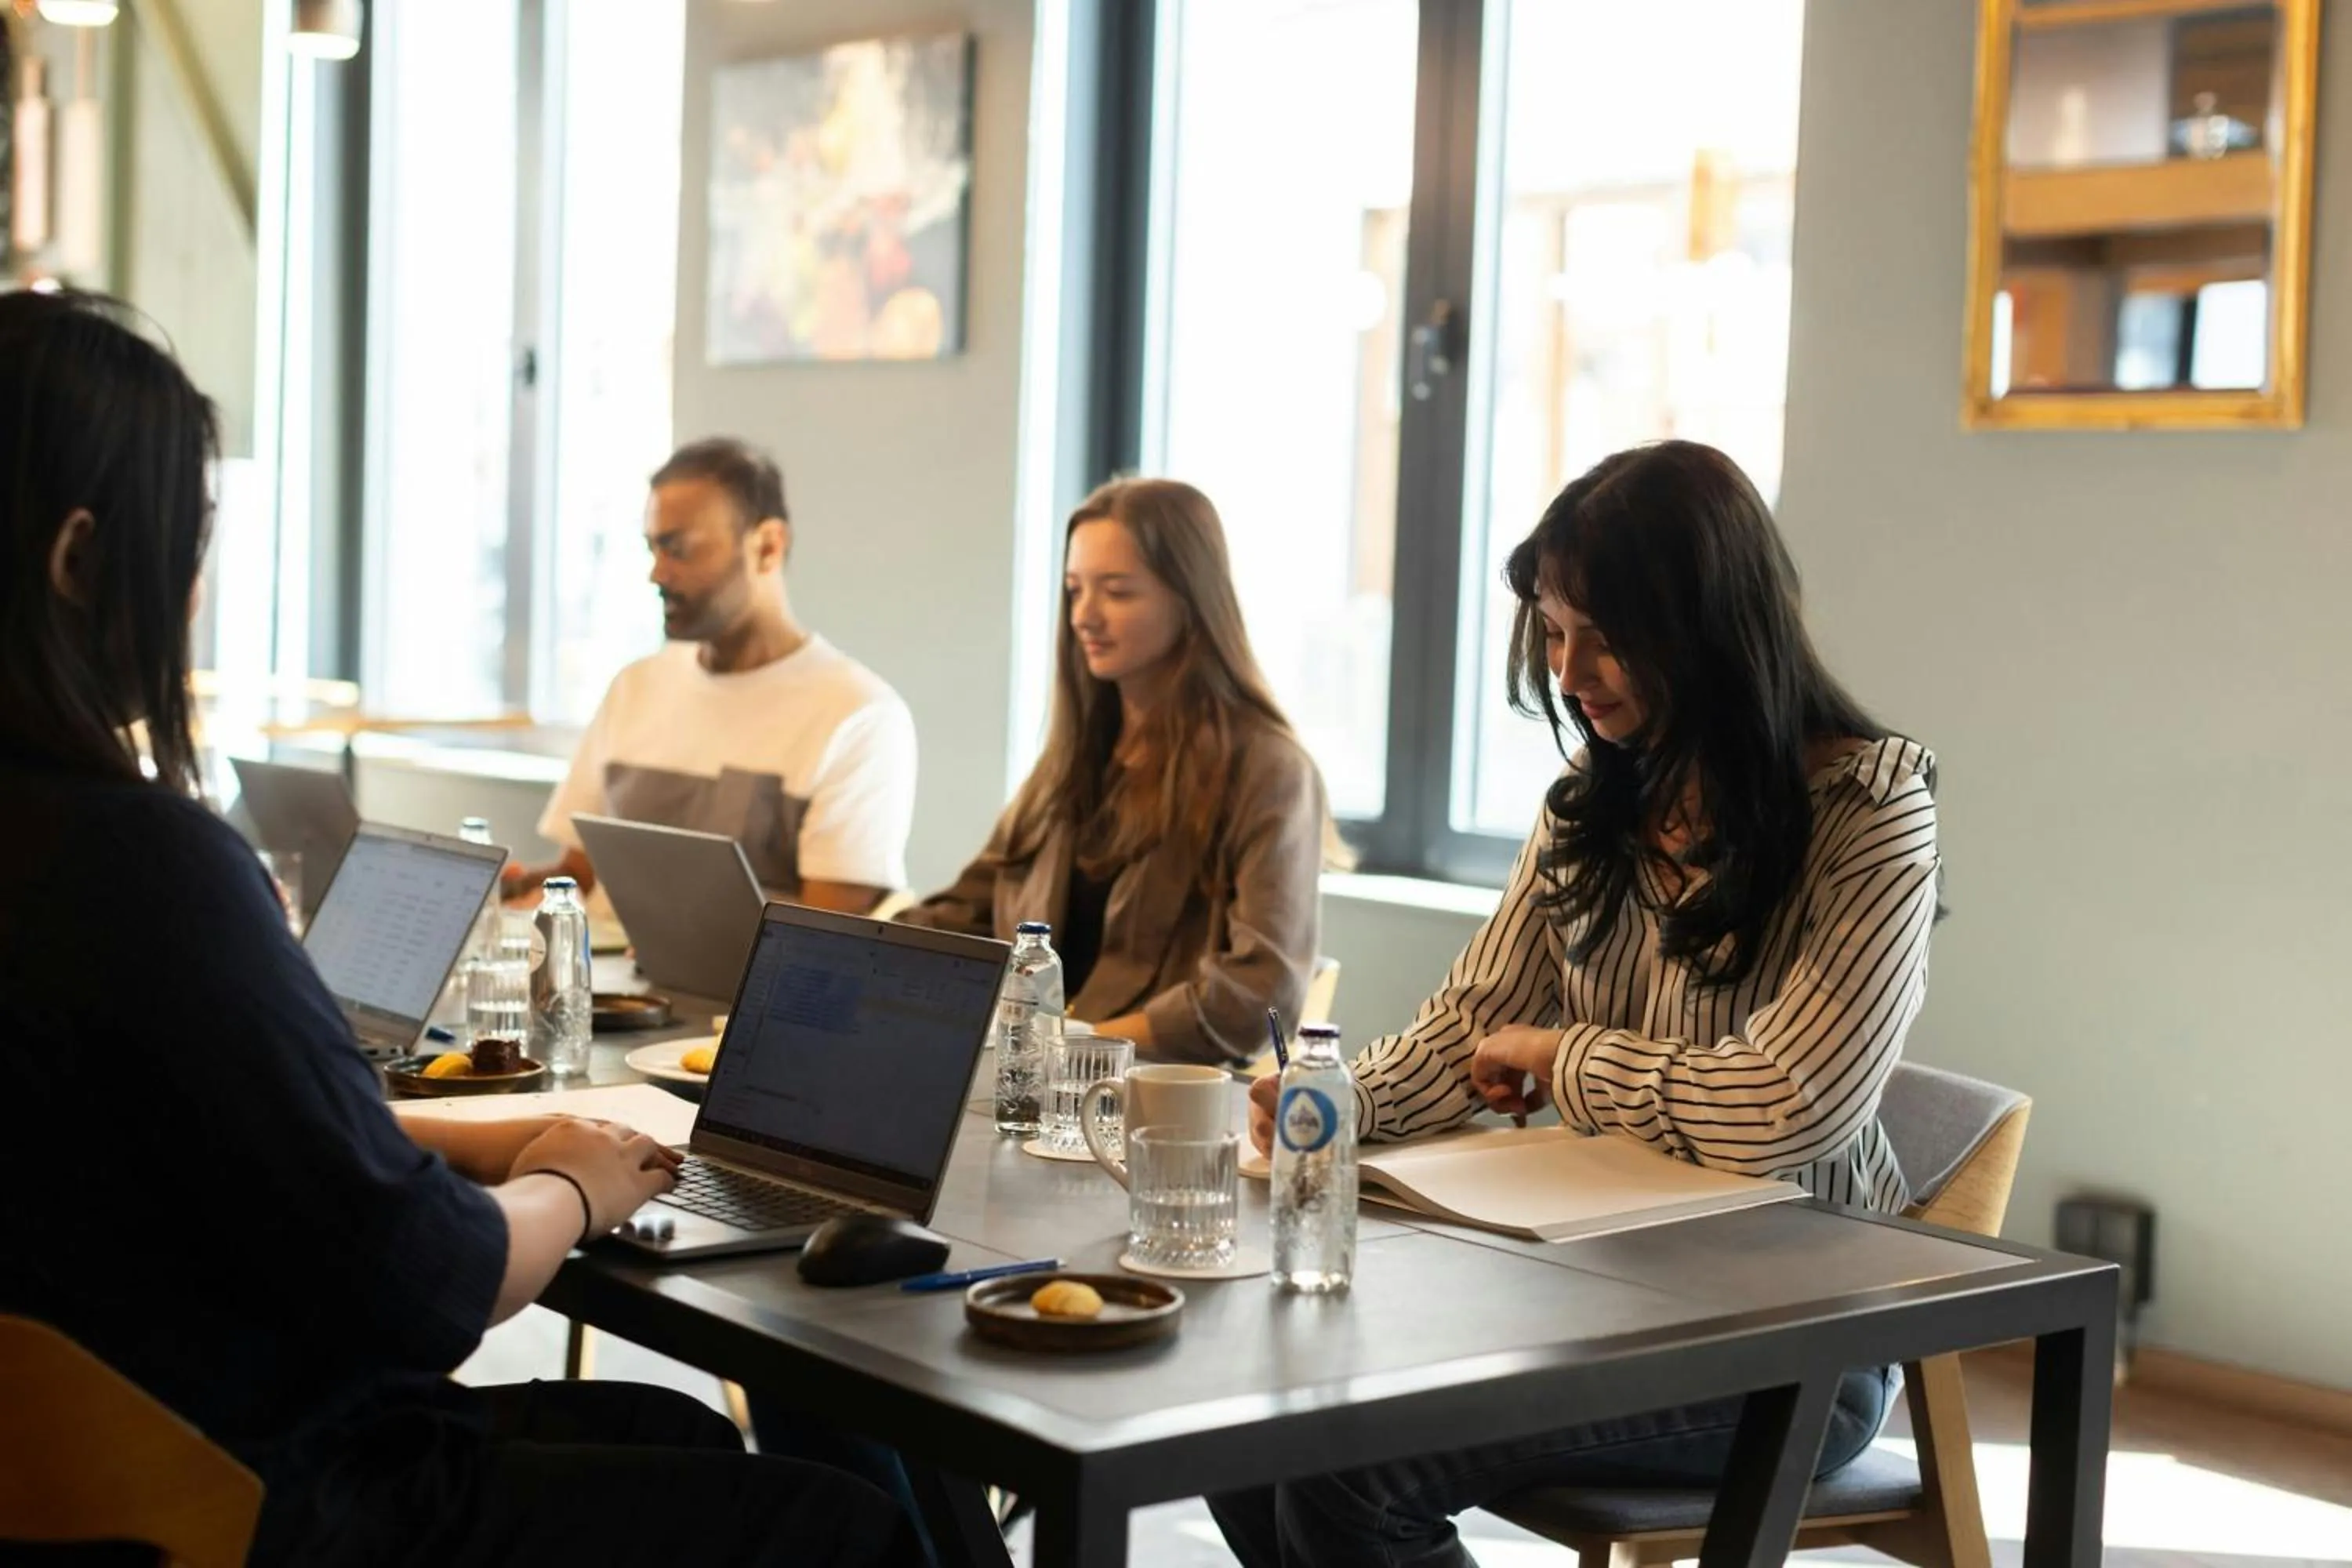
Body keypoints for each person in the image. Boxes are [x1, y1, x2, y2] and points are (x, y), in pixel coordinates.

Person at [0, 290, 925, 1568]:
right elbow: (431, 1282)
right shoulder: (143, 869)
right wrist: (571, 1186)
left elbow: (230, 1128)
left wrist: (488, 1139)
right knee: (843, 1531)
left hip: (96, 1466)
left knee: (680, 1437)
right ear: (79, 559)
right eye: (190, 544)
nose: (197, 590)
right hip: (270, 1503)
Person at [1214, 441, 1940, 1568]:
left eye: (1604, 635)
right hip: (1589, 1284)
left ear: (1710, 624)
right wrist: (1340, 1099)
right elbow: (1475, 1021)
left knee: (1350, 1473)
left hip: (1798, 1335)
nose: (1568, 670)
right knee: (1236, 1424)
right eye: (1553, 631)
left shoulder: (1870, 809)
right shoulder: (1588, 807)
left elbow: (1785, 1107)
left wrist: (1566, 1058)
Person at [897, 477, 1337, 1062]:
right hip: (1035, 1079)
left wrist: (1075, 1046)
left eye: (1118, 592)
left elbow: (1258, 995)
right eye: (1074, 590)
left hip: (1154, 1094)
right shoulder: (1073, 761)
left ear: (1191, 599)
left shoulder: (1269, 770)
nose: (1084, 616)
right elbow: (962, 916)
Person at [507, 437, 917, 916]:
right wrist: (509, 892)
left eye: (678, 549)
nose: (656, 574)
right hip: (602, 965)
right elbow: (580, 875)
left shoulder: (858, 715)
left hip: (739, 972)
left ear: (767, 546)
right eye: (653, 549)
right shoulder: (635, 687)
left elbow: (825, 936)